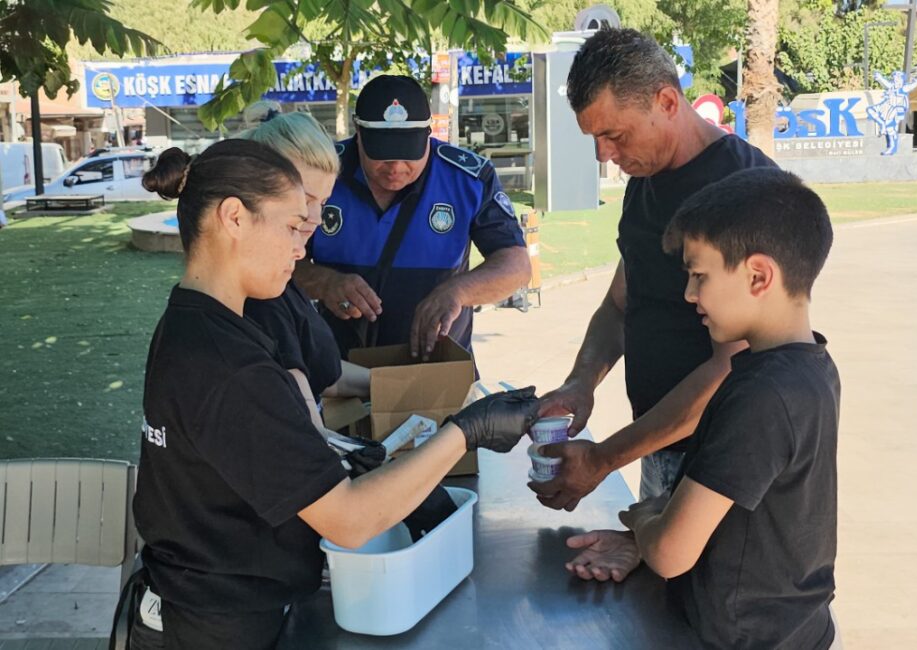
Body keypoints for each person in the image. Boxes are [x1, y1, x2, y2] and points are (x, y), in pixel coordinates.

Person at [130, 140, 539, 649]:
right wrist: (468, 430)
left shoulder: (196, 323)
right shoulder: (228, 363)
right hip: (216, 626)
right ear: (234, 218)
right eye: (290, 227)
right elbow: (349, 519)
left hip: (206, 603)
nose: (302, 249)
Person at [564, 168, 840, 650]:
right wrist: (642, 544)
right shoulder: (809, 367)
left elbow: (671, 553)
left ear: (758, 275)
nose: (689, 295)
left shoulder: (763, 397)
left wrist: (645, 521)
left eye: (699, 276)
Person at [532, 28, 777, 510]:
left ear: (667, 101)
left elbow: (731, 368)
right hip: (661, 449)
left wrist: (602, 459)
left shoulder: (744, 190)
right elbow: (622, 306)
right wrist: (581, 382)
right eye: (595, 138)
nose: (604, 155)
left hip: (724, 466)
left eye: (614, 135)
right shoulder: (644, 183)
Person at [293, 74, 530, 360]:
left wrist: (458, 291)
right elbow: (274, 257)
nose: (396, 168)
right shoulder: (321, 171)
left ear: (428, 134)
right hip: (336, 371)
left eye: (408, 154)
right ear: (358, 134)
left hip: (436, 374)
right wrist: (324, 281)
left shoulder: (468, 179)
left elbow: (516, 265)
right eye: (382, 154)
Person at [238, 103, 371, 433]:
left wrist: (399, 383)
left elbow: (320, 371)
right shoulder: (259, 295)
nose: (313, 217)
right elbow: (316, 454)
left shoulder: (280, 278)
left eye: (323, 202)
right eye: (305, 198)